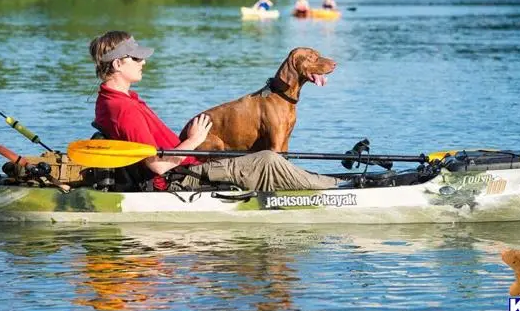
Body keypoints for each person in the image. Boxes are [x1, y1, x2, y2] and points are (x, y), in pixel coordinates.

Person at [90, 31, 342, 192]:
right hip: (182, 177)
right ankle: (339, 189)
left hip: (190, 166)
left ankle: (325, 183)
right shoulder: (123, 109)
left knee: (265, 160)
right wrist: (194, 140)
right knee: (267, 160)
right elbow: (156, 167)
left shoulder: (119, 100)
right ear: (118, 63)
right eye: (136, 58)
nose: (143, 62)